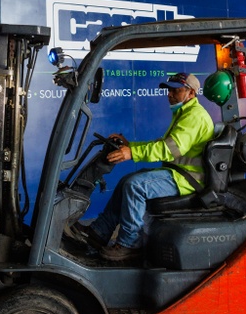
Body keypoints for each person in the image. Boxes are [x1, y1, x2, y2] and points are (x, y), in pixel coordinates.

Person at [65, 72, 217, 261]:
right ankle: (99, 233)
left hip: (189, 179)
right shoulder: (184, 112)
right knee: (126, 181)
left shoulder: (195, 116)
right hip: (178, 173)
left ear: (191, 93)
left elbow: (168, 150)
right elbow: (162, 143)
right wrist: (129, 146)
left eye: (175, 91)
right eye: (168, 91)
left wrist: (132, 154)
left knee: (135, 186)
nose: (169, 95)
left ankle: (130, 244)